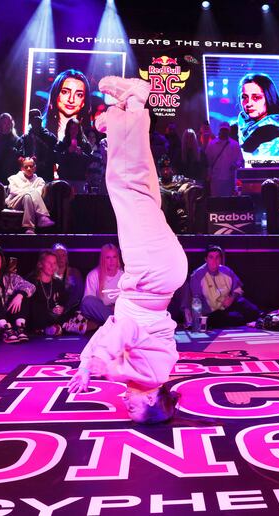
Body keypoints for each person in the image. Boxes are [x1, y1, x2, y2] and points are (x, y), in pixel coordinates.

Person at [68, 76, 188, 424]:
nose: (125, 403)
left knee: (142, 191)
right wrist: (95, 364)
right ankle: (134, 103)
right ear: (151, 398)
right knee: (124, 187)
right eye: (132, 407)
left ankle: (122, 116)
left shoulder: (152, 374)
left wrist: (86, 365)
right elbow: (125, 331)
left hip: (159, 274)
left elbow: (112, 329)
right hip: (152, 273)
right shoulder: (150, 372)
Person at [189, 245, 261, 328]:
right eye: (211, 257)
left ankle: (264, 319)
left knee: (250, 308)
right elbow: (196, 300)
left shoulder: (226, 271)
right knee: (234, 318)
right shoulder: (197, 275)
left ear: (220, 259)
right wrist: (197, 321)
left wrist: (231, 298)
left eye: (217, 257)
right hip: (212, 312)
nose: (214, 261)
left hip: (229, 307)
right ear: (206, 259)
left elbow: (238, 289)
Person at [234, 73, 279, 161]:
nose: (249, 103)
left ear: (269, 97)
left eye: (256, 97)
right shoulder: (235, 129)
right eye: (244, 97)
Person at [5, 157, 55, 234]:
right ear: (22, 168)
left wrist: (27, 192)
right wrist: (29, 190)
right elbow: (13, 191)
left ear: (35, 168)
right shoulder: (14, 178)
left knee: (28, 197)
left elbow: (38, 193)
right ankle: (42, 216)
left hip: (30, 201)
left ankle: (30, 228)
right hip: (15, 202)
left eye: (31, 166)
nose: (29, 169)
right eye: (26, 167)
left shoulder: (39, 180)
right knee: (30, 193)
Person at [44, 69, 92, 142]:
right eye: (65, 92)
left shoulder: (91, 135)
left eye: (79, 95)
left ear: (83, 102)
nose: (71, 100)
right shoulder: (39, 130)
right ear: (55, 95)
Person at [81, 243, 123, 325]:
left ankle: (112, 322)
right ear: (103, 259)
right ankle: (115, 323)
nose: (111, 261)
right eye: (108, 257)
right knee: (87, 302)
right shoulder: (93, 275)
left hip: (118, 310)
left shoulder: (123, 275)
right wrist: (106, 309)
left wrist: (116, 307)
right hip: (101, 311)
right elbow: (88, 303)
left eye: (114, 257)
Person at [29, 251, 69, 335]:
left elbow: (63, 302)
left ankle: (60, 327)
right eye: (49, 263)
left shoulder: (58, 283)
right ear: (40, 264)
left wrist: (61, 308)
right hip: (37, 318)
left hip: (53, 317)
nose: (52, 266)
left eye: (54, 263)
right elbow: (31, 307)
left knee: (68, 312)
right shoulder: (31, 281)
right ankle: (55, 328)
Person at [17, 109, 58, 181]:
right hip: (30, 171)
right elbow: (19, 153)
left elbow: (55, 143)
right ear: (30, 121)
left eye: (37, 120)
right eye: (33, 120)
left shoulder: (47, 135)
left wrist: (42, 132)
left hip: (45, 172)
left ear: (40, 121)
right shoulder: (25, 138)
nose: (35, 123)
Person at [205, 121, 244, 197]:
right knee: (216, 200)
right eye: (222, 130)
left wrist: (235, 165)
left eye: (226, 130)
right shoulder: (212, 144)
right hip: (215, 179)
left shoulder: (234, 144)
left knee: (228, 200)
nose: (224, 132)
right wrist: (208, 175)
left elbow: (241, 160)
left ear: (229, 131)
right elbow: (207, 161)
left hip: (230, 179)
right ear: (219, 130)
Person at [52, 243, 84, 314]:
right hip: (52, 310)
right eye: (57, 255)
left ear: (66, 257)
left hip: (70, 310)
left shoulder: (74, 272)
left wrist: (65, 308)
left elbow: (78, 295)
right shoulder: (48, 273)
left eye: (63, 255)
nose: (60, 258)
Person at [0, 113, 20, 183]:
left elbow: (19, 158)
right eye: (4, 123)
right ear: (0, 124)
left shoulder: (17, 140)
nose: (7, 125)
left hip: (11, 175)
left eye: (9, 122)